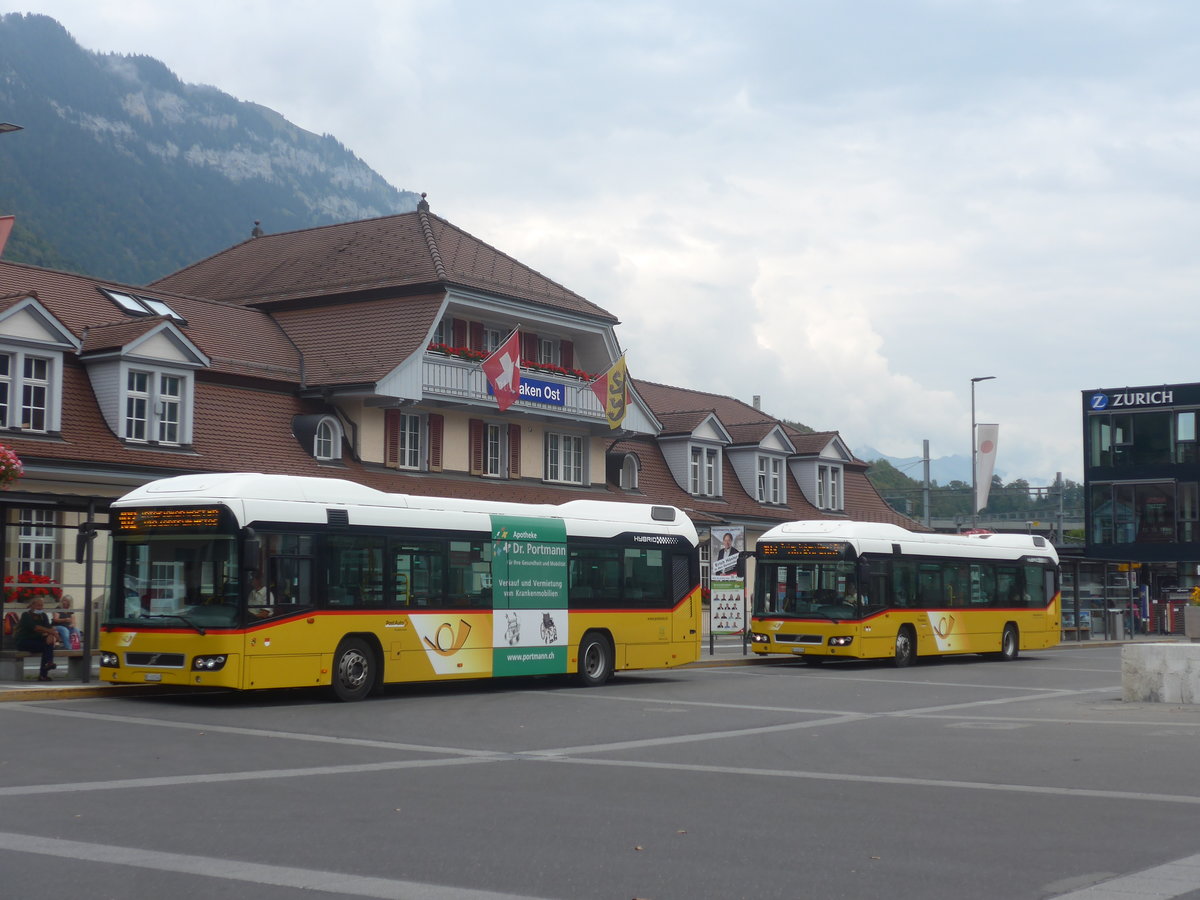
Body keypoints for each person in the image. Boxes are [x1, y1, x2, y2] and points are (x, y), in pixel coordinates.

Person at [14, 595, 58, 681]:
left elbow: (49, 627)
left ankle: (47, 667)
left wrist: (50, 635)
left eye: (42, 605)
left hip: (37, 641)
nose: (41, 607)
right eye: (39, 605)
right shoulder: (26, 615)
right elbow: (35, 627)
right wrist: (51, 632)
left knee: (49, 643)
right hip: (24, 641)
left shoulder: (43, 615)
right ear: (32, 605)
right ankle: (44, 672)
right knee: (47, 645)